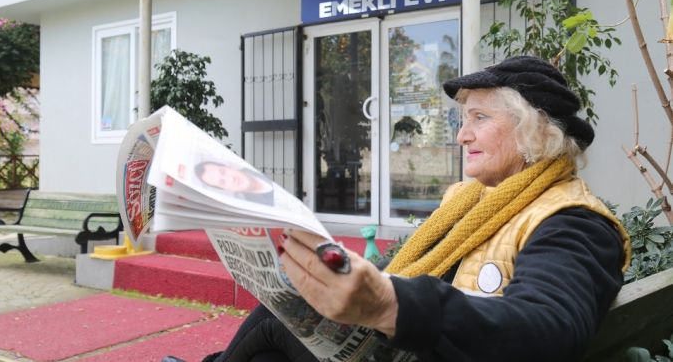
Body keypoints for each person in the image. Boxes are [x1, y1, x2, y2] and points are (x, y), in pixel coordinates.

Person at [171, 55, 630, 362]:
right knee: (283, 323)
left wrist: (392, 305)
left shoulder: (574, 222)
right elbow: (405, 269)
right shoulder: (473, 199)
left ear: (534, 132)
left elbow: (547, 329)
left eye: (480, 119)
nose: (461, 136)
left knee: (274, 323)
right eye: (463, 120)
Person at [195, 160, 275, 206]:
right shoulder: (252, 206)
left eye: (223, 172)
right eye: (222, 182)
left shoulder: (258, 163)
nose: (231, 179)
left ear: (228, 167)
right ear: (224, 189)